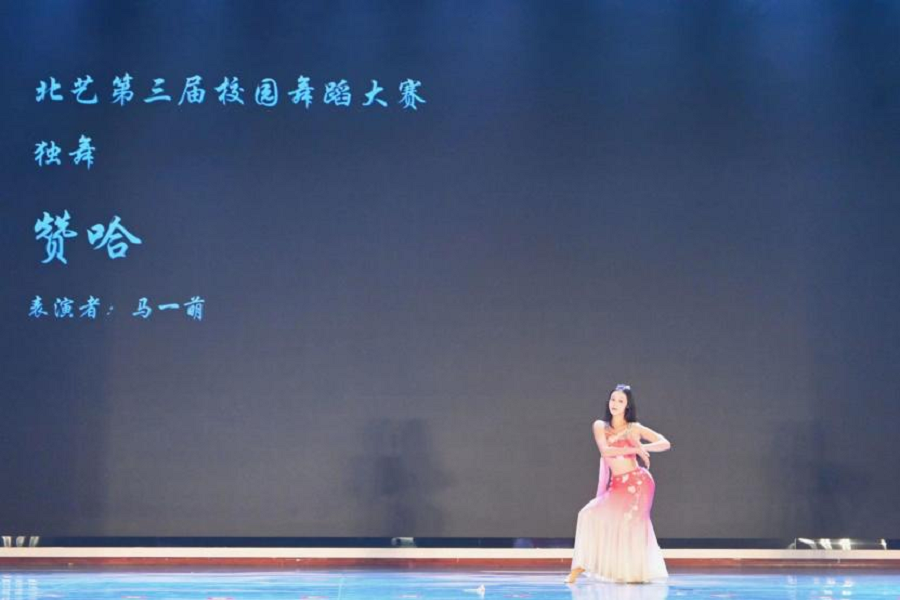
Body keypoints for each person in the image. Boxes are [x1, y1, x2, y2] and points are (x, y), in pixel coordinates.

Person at [566, 384, 671, 584]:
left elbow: (665, 443)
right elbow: (605, 451)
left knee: (630, 526)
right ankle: (581, 565)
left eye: (620, 401)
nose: (615, 403)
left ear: (627, 406)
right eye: (613, 399)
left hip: (639, 484)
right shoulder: (600, 426)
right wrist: (635, 450)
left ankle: (632, 572)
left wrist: (644, 447)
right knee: (587, 514)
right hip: (617, 485)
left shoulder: (634, 428)